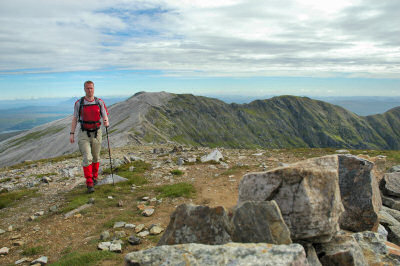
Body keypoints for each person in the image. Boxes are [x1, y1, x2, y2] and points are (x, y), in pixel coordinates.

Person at [70, 81, 109, 193]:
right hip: (84, 133)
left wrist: (106, 122)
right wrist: (71, 133)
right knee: (87, 157)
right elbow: (75, 119)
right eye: (87, 88)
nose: (89, 90)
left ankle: (95, 177)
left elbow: (105, 115)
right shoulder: (79, 103)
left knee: (96, 157)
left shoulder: (99, 102)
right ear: (84, 89)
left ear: (94, 88)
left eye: (91, 88)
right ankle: (89, 183)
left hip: (97, 132)